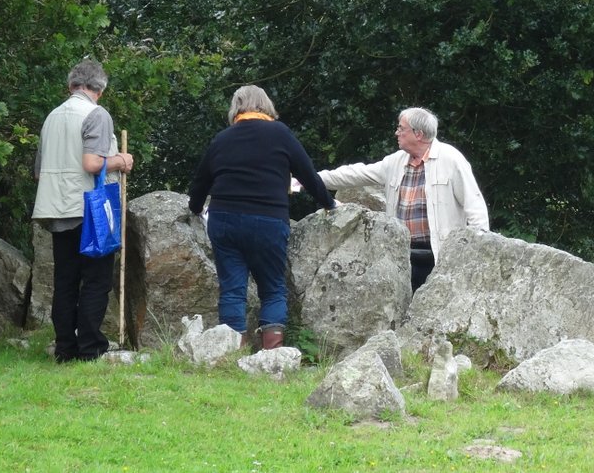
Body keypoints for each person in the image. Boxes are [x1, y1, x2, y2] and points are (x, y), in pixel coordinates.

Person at [187, 85, 336, 350]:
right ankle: (272, 354)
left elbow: (200, 183)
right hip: (268, 220)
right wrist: (328, 203)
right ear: (266, 106)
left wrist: (196, 208)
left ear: (236, 108)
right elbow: (308, 175)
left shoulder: (222, 138)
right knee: (272, 287)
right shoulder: (280, 134)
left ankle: (231, 353)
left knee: (232, 289)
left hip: (225, 220)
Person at [318, 107, 488, 292]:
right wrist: (308, 179)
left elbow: (475, 205)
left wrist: (479, 251)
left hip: (440, 255)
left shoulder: (451, 160)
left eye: (401, 128)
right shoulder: (395, 161)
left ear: (418, 134)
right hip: (401, 254)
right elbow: (355, 174)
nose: (396, 132)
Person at [33, 59, 134, 363]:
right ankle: (91, 348)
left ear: (71, 86)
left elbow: (38, 172)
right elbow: (91, 164)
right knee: (95, 280)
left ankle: (65, 347)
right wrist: (121, 160)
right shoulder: (96, 114)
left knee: (64, 279)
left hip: (55, 207)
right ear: (99, 90)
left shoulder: (52, 117)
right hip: (90, 208)